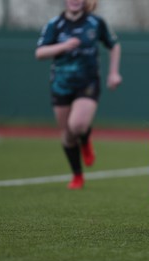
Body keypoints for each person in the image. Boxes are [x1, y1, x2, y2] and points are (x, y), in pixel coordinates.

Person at [35, 0, 122, 189]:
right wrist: (63, 46)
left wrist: (113, 73)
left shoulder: (96, 22)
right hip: (61, 84)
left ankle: (85, 137)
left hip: (88, 82)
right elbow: (40, 52)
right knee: (67, 134)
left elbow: (114, 45)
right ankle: (77, 175)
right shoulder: (54, 24)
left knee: (77, 125)